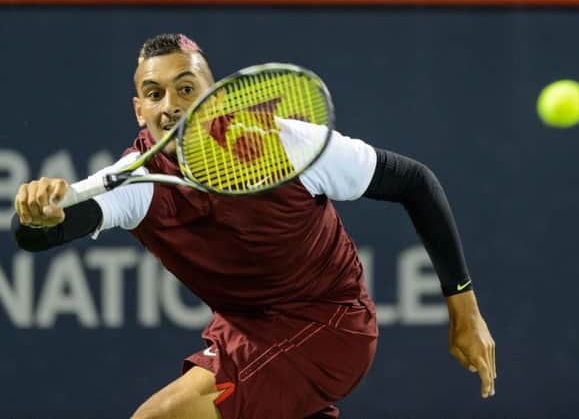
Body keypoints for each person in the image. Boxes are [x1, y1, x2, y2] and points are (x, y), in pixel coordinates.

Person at [12, 33, 496, 419]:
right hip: (245, 330)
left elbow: (414, 182)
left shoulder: (283, 142)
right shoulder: (137, 180)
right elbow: (43, 232)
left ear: (215, 96)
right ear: (139, 109)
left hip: (329, 325)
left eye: (186, 88)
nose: (171, 106)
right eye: (154, 94)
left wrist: (464, 312)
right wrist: (38, 213)